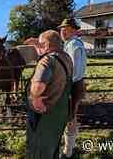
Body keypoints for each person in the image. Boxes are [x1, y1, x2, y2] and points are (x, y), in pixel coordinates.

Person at [26, 30, 73, 159]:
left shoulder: (47, 60)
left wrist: (34, 98)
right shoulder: (67, 59)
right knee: (53, 148)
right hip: (61, 112)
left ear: (46, 45)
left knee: (39, 152)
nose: (38, 48)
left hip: (45, 116)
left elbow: (38, 86)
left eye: (40, 44)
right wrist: (38, 45)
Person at [59, 18, 87, 159]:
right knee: (70, 116)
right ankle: (68, 149)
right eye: (61, 29)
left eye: (66, 28)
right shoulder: (69, 44)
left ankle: (68, 152)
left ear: (74, 30)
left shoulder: (74, 44)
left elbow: (75, 69)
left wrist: (65, 86)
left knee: (70, 118)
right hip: (73, 84)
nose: (62, 31)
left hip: (72, 85)